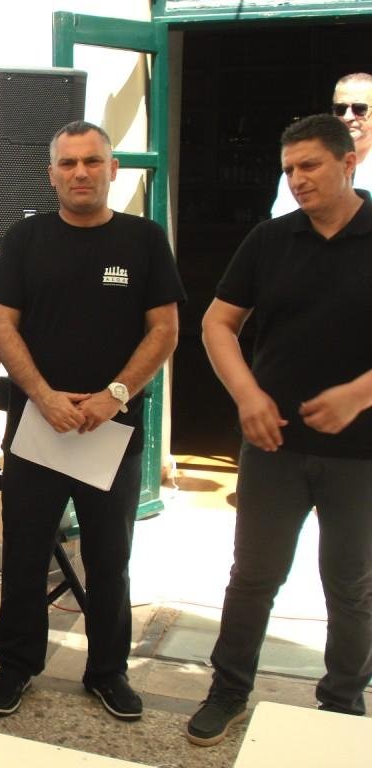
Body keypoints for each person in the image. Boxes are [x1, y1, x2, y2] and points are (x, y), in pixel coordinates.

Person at [0, 121, 184, 720]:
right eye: (68, 163)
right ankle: (17, 664)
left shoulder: (144, 240)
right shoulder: (25, 238)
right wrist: (44, 395)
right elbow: (2, 326)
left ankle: (108, 671)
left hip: (111, 431)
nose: (80, 173)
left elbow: (165, 329)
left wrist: (114, 395)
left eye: (92, 161)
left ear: (112, 169)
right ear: (51, 174)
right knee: (25, 554)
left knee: (109, 559)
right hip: (37, 428)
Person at [187, 113, 372, 746]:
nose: (297, 179)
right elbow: (216, 324)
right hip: (273, 445)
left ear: (348, 162)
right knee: (253, 576)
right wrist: (247, 396)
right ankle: (228, 690)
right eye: (289, 169)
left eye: (310, 165)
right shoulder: (270, 240)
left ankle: (342, 704)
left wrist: (357, 395)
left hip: (361, 453)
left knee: (350, 584)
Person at [270, 72, 372, 216]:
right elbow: (284, 224)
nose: (348, 117)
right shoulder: (299, 170)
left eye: (359, 109)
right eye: (340, 109)